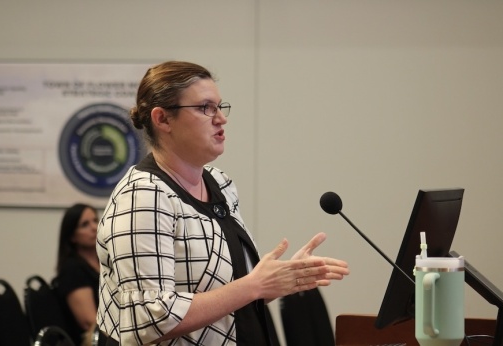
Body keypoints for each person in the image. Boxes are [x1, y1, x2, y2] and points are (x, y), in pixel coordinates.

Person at [96, 61, 350, 346]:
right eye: (205, 107)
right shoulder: (142, 197)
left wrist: (281, 279)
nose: (220, 119)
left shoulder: (220, 183)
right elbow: (150, 321)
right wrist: (254, 285)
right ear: (163, 119)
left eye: (219, 106)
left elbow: (230, 293)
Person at [52, 203, 100, 346]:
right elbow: (90, 323)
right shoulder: (72, 270)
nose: (94, 227)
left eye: (95, 221)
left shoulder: (104, 261)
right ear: (72, 236)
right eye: (85, 225)